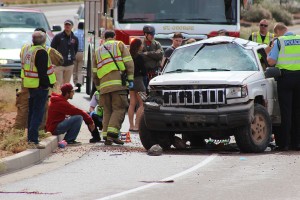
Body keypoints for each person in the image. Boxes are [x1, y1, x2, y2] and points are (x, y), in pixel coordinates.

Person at [15, 28, 64, 130]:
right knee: (40, 109)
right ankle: (38, 131)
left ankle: (18, 131)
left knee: (23, 107)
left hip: (26, 81)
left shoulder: (25, 48)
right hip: (39, 83)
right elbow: (60, 61)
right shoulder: (47, 50)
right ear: (44, 38)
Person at [92, 30, 134, 145]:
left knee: (107, 110)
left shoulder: (97, 51)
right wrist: (130, 79)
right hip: (118, 84)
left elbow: (94, 73)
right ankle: (112, 135)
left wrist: (99, 87)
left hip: (104, 87)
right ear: (114, 37)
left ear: (104, 38)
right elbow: (129, 62)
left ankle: (106, 136)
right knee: (119, 108)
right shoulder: (119, 45)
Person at [267, 23, 300, 151]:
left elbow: (271, 61)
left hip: (285, 79)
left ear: (279, 32)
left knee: (286, 112)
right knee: (298, 111)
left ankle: (285, 143)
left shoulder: (279, 41)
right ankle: (297, 143)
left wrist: (270, 53)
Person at [22, 30, 56, 149]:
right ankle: (34, 140)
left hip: (31, 85)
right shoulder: (41, 52)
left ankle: (30, 139)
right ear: (44, 40)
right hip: (40, 86)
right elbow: (42, 71)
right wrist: (46, 84)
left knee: (32, 113)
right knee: (37, 113)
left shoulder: (30, 51)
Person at [51, 19, 79, 86]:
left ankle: (64, 96)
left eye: (69, 25)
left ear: (72, 26)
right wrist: (55, 59)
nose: (67, 26)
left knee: (66, 85)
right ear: (64, 26)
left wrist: (72, 57)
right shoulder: (58, 36)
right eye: (66, 24)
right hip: (59, 64)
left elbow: (75, 49)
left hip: (69, 64)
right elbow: (52, 48)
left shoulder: (74, 38)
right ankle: (58, 96)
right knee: (58, 84)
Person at [128, 38, 147, 132]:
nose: (143, 46)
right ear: (138, 46)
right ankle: (137, 125)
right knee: (142, 103)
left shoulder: (128, 55)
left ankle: (131, 126)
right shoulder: (139, 57)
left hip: (130, 80)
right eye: (142, 45)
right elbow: (143, 71)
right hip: (138, 80)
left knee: (132, 103)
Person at [73, 22, 84, 93]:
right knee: (80, 70)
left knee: (74, 70)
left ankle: (75, 83)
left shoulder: (74, 33)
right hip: (82, 53)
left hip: (74, 53)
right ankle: (79, 83)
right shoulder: (84, 34)